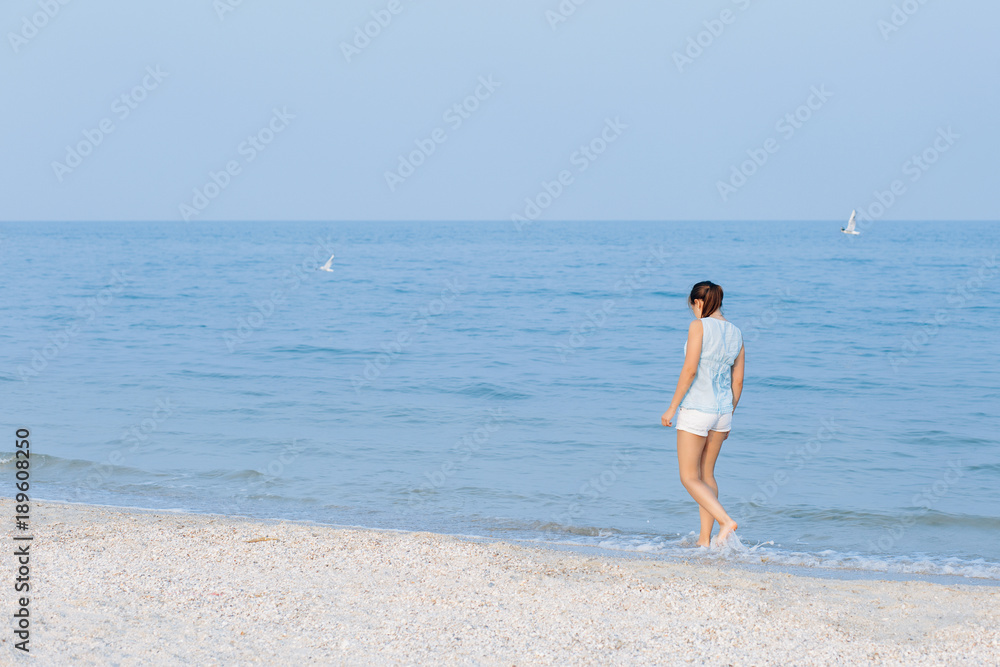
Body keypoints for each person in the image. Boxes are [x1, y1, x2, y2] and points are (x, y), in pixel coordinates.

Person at [660, 281, 745, 547]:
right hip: (722, 412)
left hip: (697, 409)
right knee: (707, 475)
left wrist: (672, 407)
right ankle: (704, 541)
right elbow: (738, 381)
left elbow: (690, 370)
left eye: (692, 306)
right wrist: (729, 414)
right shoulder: (736, 332)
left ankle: (725, 521)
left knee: (688, 477)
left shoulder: (698, 326)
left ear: (698, 302)